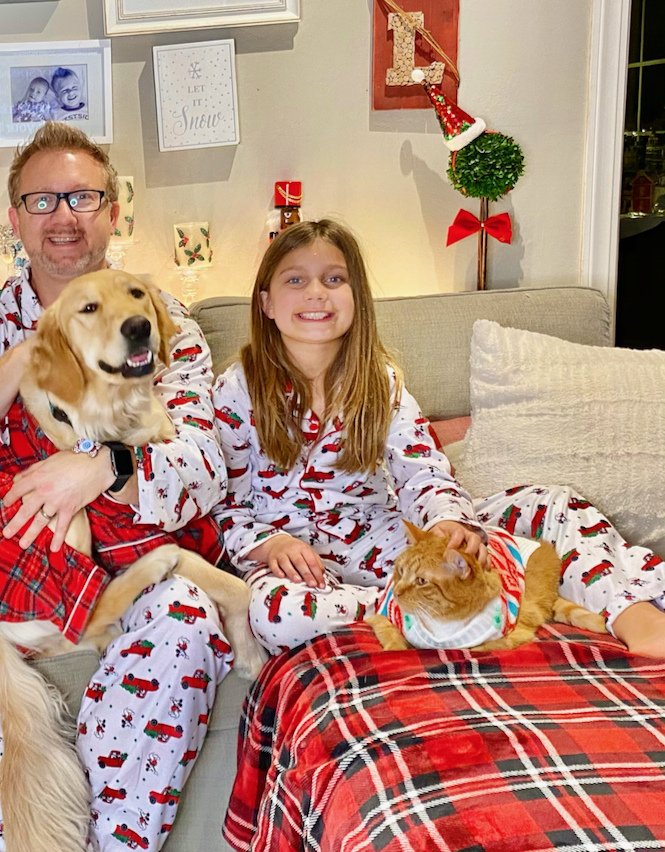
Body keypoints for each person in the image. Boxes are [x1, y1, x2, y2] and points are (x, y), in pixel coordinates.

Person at [0, 120, 232, 852]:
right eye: (42, 201)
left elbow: (205, 464)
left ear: (114, 211)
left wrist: (106, 466)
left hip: (123, 556)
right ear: (14, 219)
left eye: (83, 196)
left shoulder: (162, 319)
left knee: (188, 617)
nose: (64, 216)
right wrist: (20, 359)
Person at [212, 218, 665, 657]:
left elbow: (423, 474)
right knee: (276, 617)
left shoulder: (380, 381)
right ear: (267, 302)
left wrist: (447, 523)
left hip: (390, 546)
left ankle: (634, 614)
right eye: (296, 280)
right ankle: (443, 607)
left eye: (334, 278)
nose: (316, 292)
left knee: (554, 503)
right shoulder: (237, 388)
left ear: (357, 299)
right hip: (300, 567)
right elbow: (225, 505)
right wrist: (271, 545)